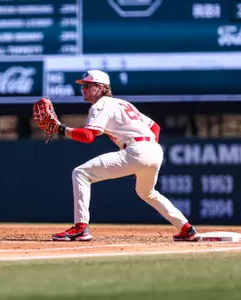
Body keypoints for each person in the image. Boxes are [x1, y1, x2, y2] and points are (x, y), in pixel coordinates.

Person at [47, 70, 199, 242]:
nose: (83, 89)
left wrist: (60, 129)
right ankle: (186, 229)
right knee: (147, 192)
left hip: (137, 149)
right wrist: (143, 157)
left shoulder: (100, 105)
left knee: (80, 173)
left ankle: (81, 228)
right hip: (154, 150)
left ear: (101, 87)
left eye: (88, 85)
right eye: (83, 85)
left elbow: (88, 136)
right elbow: (155, 127)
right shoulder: (122, 103)